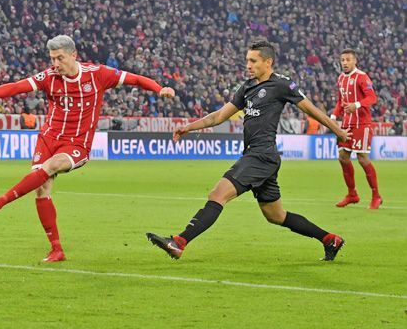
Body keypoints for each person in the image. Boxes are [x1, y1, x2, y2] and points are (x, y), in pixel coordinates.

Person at [0, 35, 175, 262]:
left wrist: (159, 89)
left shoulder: (97, 74)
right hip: (48, 138)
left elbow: (135, 79)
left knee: (51, 167)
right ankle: (56, 249)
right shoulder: (49, 77)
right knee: (42, 189)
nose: (55, 64)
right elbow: (18, 87)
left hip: (76, 144)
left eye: (60, 58)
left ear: (73, 55)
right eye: (52, 59)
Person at [146, 40, 350, 262]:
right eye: (247, 61)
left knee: (217, 194)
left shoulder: (282, 85)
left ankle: (179, 242)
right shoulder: (247, 87)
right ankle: (330, 239)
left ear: (268, 62)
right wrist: (189, 127)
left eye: (253, 61)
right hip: (260, 156)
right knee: (275, 215)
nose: (248, 65)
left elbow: (310, 109)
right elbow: (218, 116)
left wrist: (337, 130)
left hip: (261, 155)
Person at [331, 49, 382, 209]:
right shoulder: (340, 79)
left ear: (355, 61)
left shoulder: (362, 77)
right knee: (343, 157)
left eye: (348, 60)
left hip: (362, 124)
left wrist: (357, 105)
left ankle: (376, 196)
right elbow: (341, 102)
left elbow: (372, 97)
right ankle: (352, 194)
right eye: (343, 60)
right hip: (347, 124)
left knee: (362, 158)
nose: (345, 63)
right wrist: (332, 118)